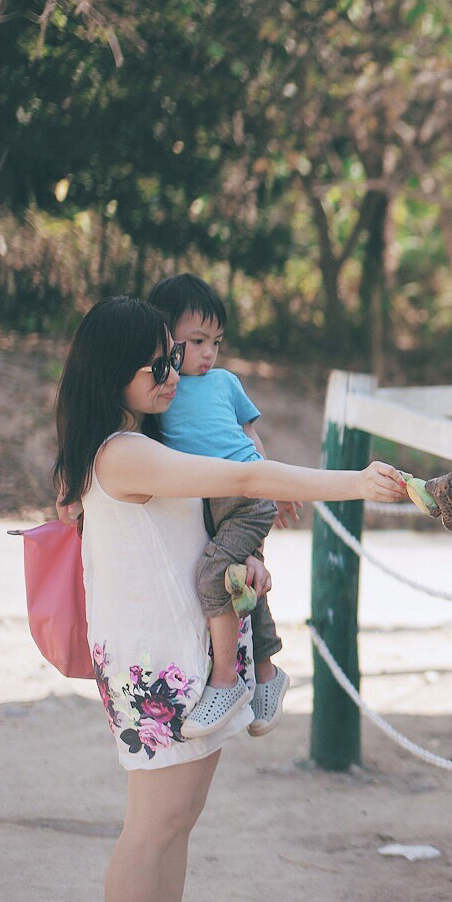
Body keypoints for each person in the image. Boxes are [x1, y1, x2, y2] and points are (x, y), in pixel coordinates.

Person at [54, 296, 406, 902]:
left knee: (178, 821)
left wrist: (245, 569)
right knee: (150, 827)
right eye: (155, 359)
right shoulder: (121, 452)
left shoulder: (146, 440)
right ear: (110, 371)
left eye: (172, 355)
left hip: (193, 647)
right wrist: (354, 483)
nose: (171, 370)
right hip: (155, 669)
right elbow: (246, 480)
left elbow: (201, 536)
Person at [144, 274, 297, 738]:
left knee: (213, 576)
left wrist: (279, 484)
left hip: (247, 499)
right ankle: (268, 674)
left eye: (215, 342)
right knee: (248, 583)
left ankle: (226, 681)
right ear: (166, 340)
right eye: (196, 341)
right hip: (211, 506)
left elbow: (251, 439)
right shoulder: (160, 390)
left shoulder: (226, 383)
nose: (209, 353)